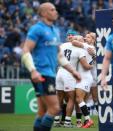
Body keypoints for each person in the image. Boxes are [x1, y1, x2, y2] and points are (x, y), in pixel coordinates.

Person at [21, 2, 80, 131]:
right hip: (42, 73)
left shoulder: (56, 30)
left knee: (42, 111)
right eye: (52, 10)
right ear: (43, 13)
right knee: (55, 108)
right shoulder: (37, 29)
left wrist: (73, 71)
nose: (56, 12)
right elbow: (26, 50)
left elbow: (59, 55)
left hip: (50, 73)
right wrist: (33, 70)